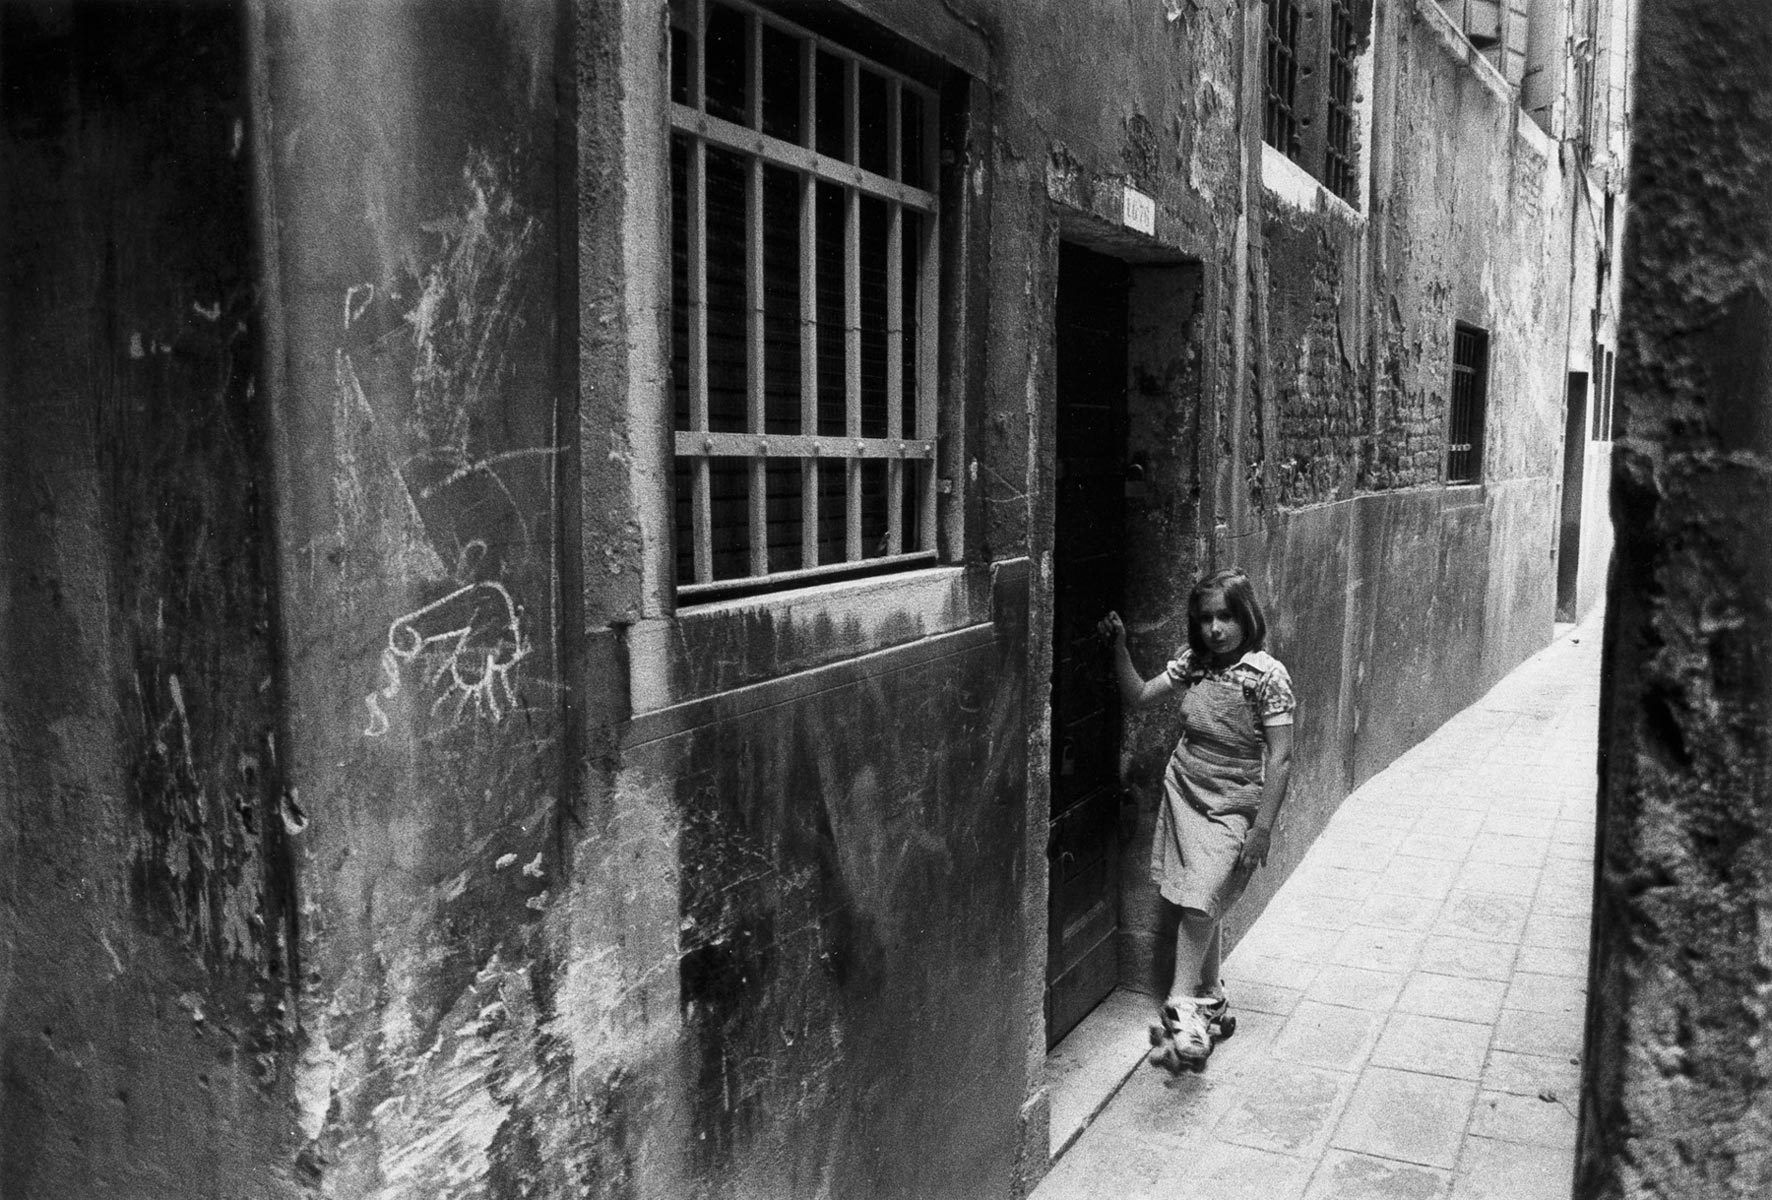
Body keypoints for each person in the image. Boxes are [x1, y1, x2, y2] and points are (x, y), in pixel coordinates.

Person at [1097, 567, 1295, 1072]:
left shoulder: (1267, 677)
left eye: (1226, 616)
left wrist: (1262, 829)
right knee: (1200, 898)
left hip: (1235, 802)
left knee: (1204, 897)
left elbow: (1280, 759)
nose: (1215, 628)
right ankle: (1210, 998)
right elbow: (1139, 696)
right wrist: (1119, 647)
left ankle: (1179, 1003)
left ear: (1246, 617)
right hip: (1186, 789)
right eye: (1205, 618)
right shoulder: (1194, 665)